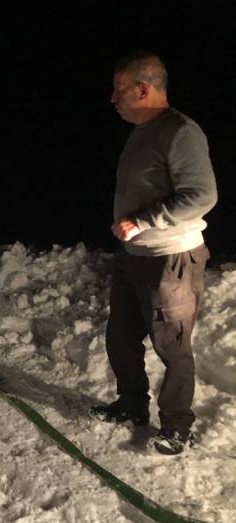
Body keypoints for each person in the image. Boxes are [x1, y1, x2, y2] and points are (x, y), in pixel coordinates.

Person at [90, 52, 217, 455]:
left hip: (171, 261)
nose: (113, 97)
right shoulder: (142, 131)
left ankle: (178, 425)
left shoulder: (181, 132)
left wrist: (143, 221)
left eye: (119, 89)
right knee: (121, 338)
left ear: (143, 90)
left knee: (172, 346)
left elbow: (202, 195)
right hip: (134, 258)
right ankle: (132, 407)